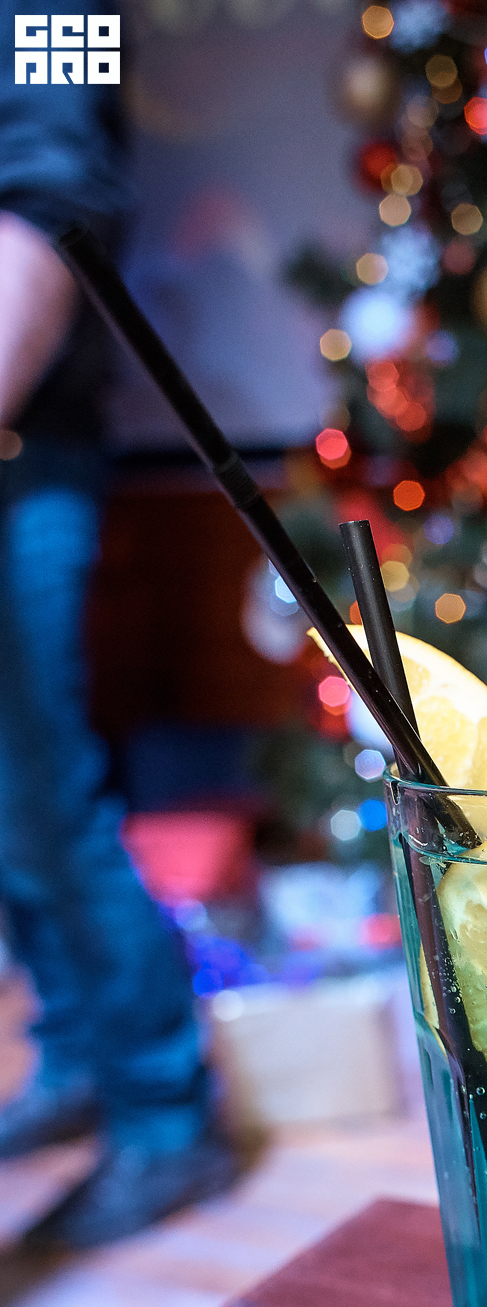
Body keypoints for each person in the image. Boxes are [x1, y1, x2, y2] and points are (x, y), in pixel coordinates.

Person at [0, 71, 238, 1246]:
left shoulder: (59, 11)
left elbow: (59, 193)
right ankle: (80, 1059)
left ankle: (165, 1110)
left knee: (44, 799)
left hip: (18, 445)